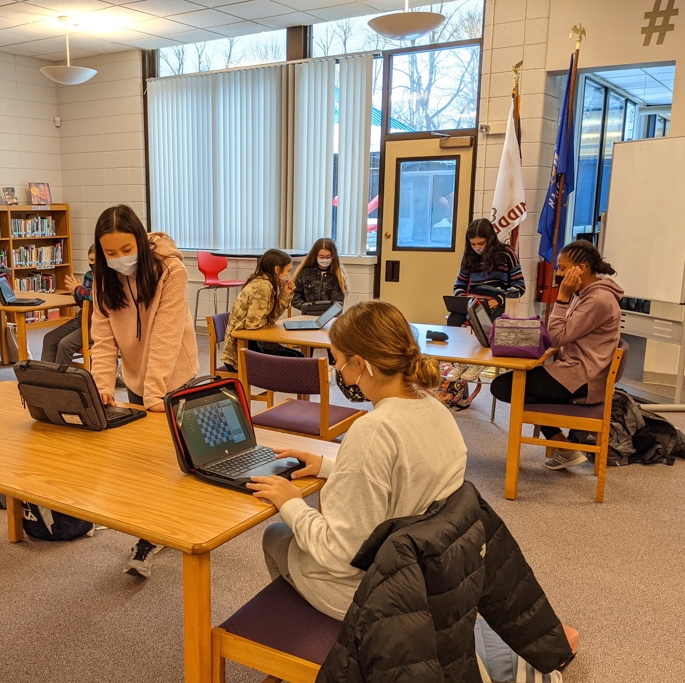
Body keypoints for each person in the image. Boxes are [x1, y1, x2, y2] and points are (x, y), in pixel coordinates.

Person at [246, 300, 468, 620]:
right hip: (430, 576)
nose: (337, 370)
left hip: (380, 597)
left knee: (277, 536)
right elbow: (404, 480)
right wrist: (327, 466)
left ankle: (325, 648)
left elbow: (340, 554)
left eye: (336, 360)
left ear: (361, 364)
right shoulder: (435, 410)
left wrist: (292, 503)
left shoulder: (373, 430)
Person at [89, 204, 199, 578]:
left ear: (140, 240)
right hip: (136, 379)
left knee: (176, 460)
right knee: (144, 462)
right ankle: (149, 535)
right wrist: (101, 386)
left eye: (126, 250)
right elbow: (102, 340)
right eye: (110, 253)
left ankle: (173, 530)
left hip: (175, 376)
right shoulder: (103, 280)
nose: (119, 259)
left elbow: (167, 337)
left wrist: (155, 394)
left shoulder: (172, 271)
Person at [490, 240, 623, 471]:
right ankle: (563, 447)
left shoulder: (597, 299)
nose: (558, 273)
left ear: (581, 268)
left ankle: (564, 447)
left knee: (506, 386)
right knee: (517, 384)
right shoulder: (587, 293)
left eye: (562, 268)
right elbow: (562, 333)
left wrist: (561, 297)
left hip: (582, 379)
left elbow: (558, 337)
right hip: (574, 370)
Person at [220, 248, 301, 372]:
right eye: (288, 271)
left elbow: (271, 318)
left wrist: (285, 294)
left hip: (249, 346)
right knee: (297, 359)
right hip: (238, 355)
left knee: (298, 357)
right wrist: (266, 322)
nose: (288, 275)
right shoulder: (263, 286)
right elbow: (252, 325)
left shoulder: (262, 282)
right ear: (277, 269)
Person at [449, 218, 525, 326]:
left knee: (488, 325)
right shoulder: (468, 256)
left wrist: (499, 300)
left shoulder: (507, 253)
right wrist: (463, 300)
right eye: (473, 244)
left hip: (497, 303)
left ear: (490, 240)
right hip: (472, 304)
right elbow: (459, 286)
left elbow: (519, 286)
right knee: (453, 320)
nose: (477, 248)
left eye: (481, 243)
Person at [41, 245, 94, 366]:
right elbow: (83, 303)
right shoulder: (88, 275)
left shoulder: (108, 277)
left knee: (65, 345)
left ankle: (63, 381)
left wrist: (78, 289)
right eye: (90, 260)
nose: (93, 263)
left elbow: (96, 297)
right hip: (82, 319)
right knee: (49, 339)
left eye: (96, 260)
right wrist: (76, 293)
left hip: (96, 324)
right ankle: (45, 378)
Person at [291, 238, 347, 313]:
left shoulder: (338, 276)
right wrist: (309, 308)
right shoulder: (304, 273)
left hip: (330, 317)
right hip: (308, 315)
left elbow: (338, 303)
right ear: (315, 256)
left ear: (333, 257)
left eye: (328, 257)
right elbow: (295, 298)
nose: (324, 260)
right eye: (321, 257)